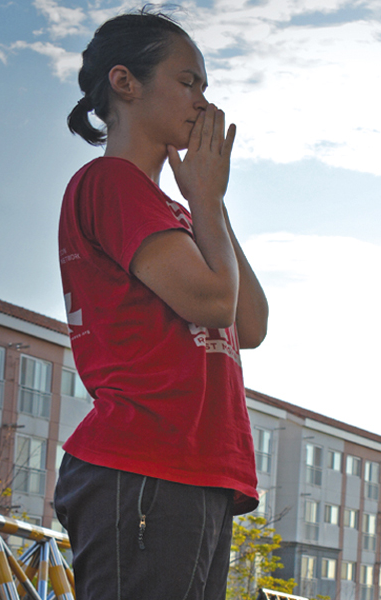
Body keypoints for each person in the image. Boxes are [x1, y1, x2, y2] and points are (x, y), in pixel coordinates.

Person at [54, 9, 268, 600]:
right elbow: (212, 301)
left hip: (193, 469)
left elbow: (251, 323)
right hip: (144, 462)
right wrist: (202, 198)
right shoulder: (110, 184)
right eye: (188, 81)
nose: (203, 101)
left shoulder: (176, 214)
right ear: (125, 82)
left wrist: (209, 204)